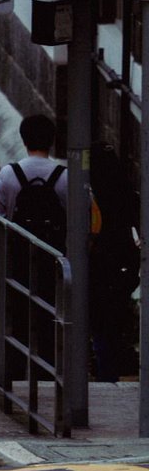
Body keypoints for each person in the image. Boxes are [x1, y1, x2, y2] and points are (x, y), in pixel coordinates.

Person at [88, 143, 140, 382]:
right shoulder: (128, 194)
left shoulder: (89, 195)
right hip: (123, 263)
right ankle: (110, 369)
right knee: (114, 319)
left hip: (96, 263)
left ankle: (103, 369)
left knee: (98, 320)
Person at [0, 114, 68, 248]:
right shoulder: (65, 176)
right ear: (51, 142)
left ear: (24, 140)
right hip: (54, 253)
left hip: (18, 251)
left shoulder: (8, 173)